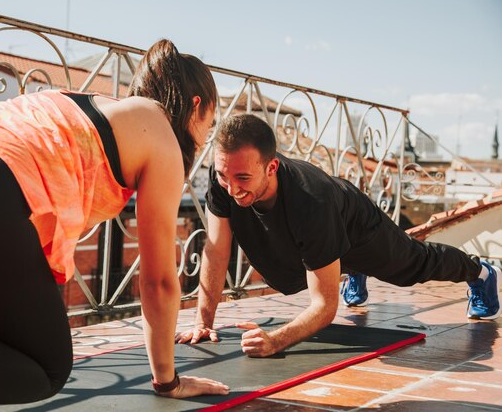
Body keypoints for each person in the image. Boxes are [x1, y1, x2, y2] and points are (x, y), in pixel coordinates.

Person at [0, 39, 229, 403]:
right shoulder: (162, 137)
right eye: (211, 123)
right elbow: (158, 283)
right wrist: (167, 382)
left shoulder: (88, 101)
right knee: (45, 368)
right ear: (196, 107)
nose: (206, 137)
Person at [176, 113, 501, 358]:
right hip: (318, 230)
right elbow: (216, 250)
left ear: (271, 167)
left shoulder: (312, 202)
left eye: (243, 177)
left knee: (413, 265)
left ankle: (482, 272)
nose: (231, 188)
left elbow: (325, 306)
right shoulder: (225, 179)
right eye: (223, 175)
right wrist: (204, 322)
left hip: (355, 225)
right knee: (294, 260)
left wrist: (276, 340)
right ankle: (346, 266)